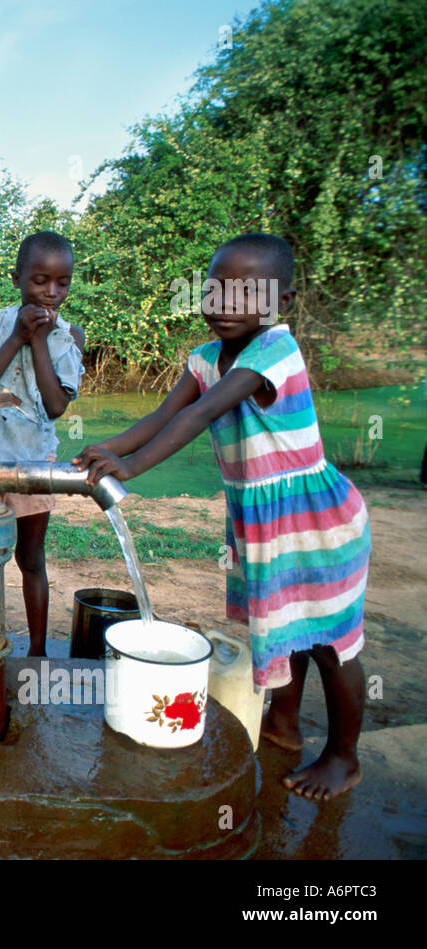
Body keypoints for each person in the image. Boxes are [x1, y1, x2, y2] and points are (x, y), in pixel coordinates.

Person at [74, 234, 369, 800]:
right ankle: (283, 726)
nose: (225, 303)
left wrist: (130, 468)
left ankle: (343, 757)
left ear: (281, 299)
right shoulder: (205, 358)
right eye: (216, 288)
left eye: (245, 291)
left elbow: (203, 414)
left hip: (315, 522)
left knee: (332, 644)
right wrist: (104, 451)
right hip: (263, 524)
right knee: (287, 629)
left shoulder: (273, 353)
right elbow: (166, 413)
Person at [0, 231, 85, 657]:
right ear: (17, 279)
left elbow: (55, 406)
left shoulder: (69, 337)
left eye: (62, 283)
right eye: (39, 281)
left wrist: (37, 339)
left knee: (30, 559)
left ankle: (37, 651)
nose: (51, 292)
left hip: (33, 462)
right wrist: (17, 336)